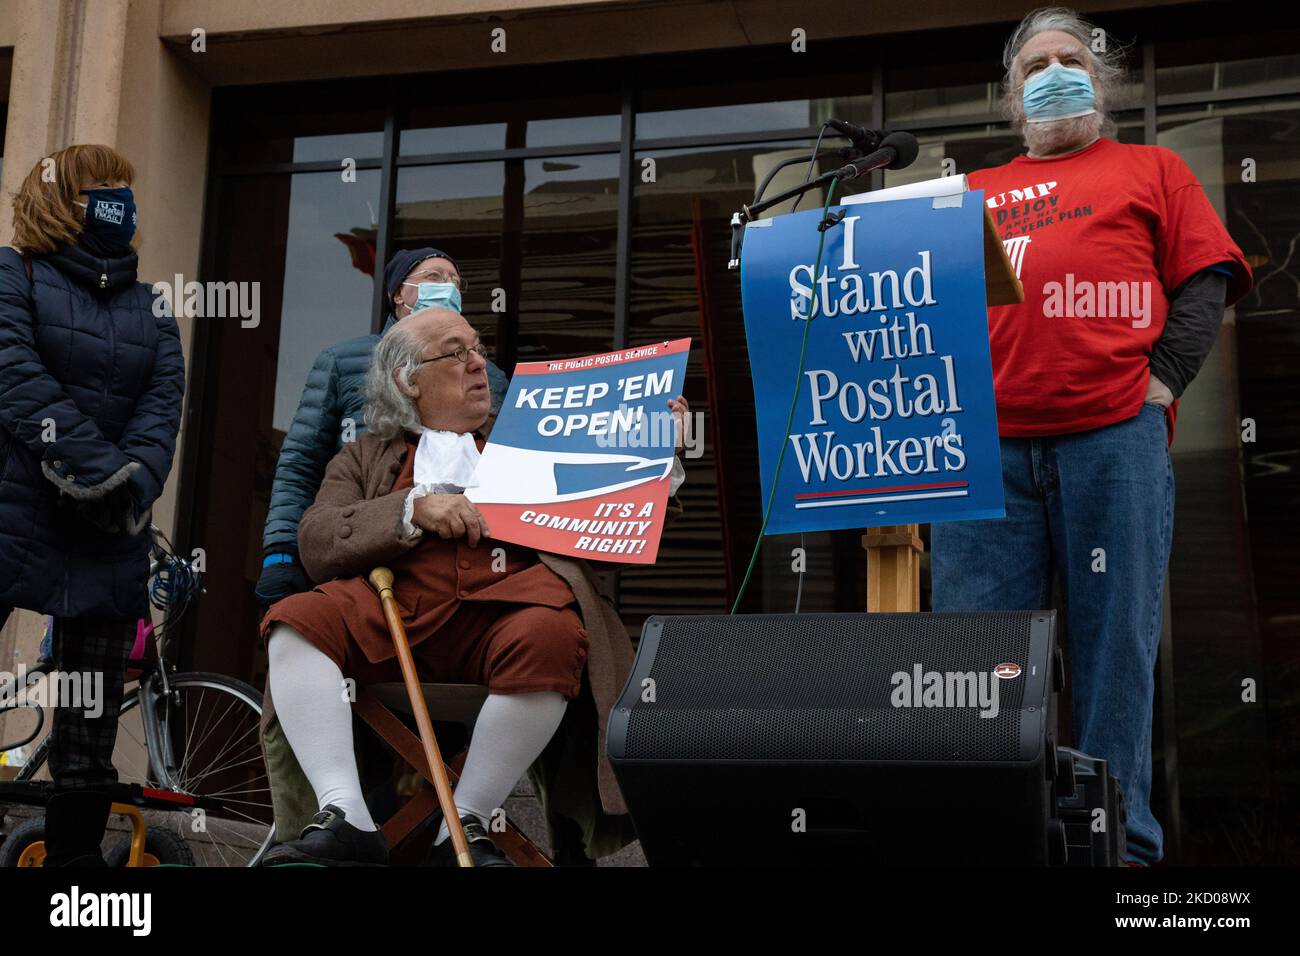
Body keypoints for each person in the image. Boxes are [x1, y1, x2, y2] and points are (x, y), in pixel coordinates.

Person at [930, 7, 1252, 866]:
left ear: (1101, 83)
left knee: (1116, 649)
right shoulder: (971, 194)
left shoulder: (1154, 169)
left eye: (1071, 59)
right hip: (986, 457)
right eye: (1035, 65)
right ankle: (989, 845)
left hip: (1112, 441)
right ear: (1011, 97)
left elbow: (1210, 276)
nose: (1054, 72)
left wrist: (1162, 385)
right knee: (976, 661)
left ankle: (1121, 852)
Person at [257, 308, 687, 865]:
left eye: (478, 349)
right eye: (456, 353)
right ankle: (347, 817)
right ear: (409, 381)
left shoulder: (534, 443)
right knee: (294, 622)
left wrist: (658, 455)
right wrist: (413, 509)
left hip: (505, 620)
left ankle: (467, 819)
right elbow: (316, 539)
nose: (478, 363)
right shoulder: (365, 455)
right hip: (391, 621)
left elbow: (619, 529)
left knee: (553, 633)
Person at [0, 144, 185, 865]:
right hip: (13, 510)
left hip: (110, 534)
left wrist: (133, 480)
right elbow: (13, 375)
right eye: (108, 186)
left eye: (125, 186)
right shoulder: (12, 274)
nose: (123, 199)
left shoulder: (152, 303)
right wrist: (102, 468)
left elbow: (164, 399)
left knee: (88, 737)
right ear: (63, 201)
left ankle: (73, 889)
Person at [254, 246, 509, 604]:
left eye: (455, 281)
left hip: (463, 552)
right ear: (398, 294)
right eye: (434, 277)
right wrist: (281, 551)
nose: (448, 287)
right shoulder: (343, 362)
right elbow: (301, 464)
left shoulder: (489, 374)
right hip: (364, 541)